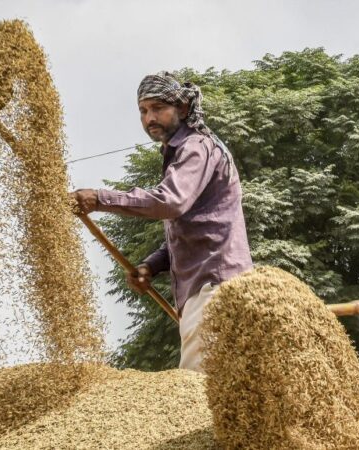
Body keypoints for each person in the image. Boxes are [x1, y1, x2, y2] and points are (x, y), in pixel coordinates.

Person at [72, 72, 253, 373]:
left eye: (158, 108)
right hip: (209, 288)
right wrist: (152, 266)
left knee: (195, 393)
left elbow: (170, 201)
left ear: (182, 109)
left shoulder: (196, 147)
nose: (149, 118)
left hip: (216, 288)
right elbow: (197, 226)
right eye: (143, 111)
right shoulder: (185, 152)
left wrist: (99, 198)